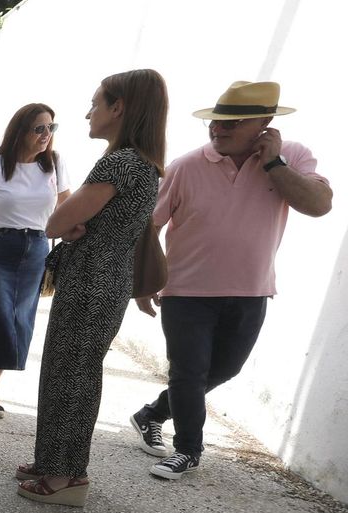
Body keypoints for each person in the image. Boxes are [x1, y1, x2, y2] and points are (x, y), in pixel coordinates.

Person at [128, 80, 332, 479]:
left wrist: (275, 164)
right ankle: (188, 450)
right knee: (188, 371)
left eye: (232, 123)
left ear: (265, 123)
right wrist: (144, 282)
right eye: (215, 123)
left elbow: (319, 205)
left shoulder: (292, 158)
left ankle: (152, 413)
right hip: (186, 291)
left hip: (251, 290)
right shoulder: (186, 166)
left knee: (224, 370)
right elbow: (147, 227)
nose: (218, 130)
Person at [17, 68, 169, 506]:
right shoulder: (141, 163)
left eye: (96, 103)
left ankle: (67, 476)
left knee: (74, 375)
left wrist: (68, 228)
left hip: (93, 280)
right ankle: (53, 461)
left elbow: (57, 221)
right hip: (102, 278)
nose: (88, 113)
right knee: (69, 370)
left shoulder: (121, 162)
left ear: (119, 108)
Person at [0, 103, 72, 421]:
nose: (46, 134)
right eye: (39, 128)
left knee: (20, 321)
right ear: (20, 131)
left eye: (51, 127)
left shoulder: (54, 165)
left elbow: (67, 207)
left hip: (35, 249)